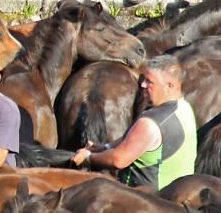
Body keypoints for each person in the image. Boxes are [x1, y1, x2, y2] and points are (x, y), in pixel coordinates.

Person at [73, 55, 196, 190]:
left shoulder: (150, 123)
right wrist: (106, 147)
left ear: (169, 86)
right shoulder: (184, 108)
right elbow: (139, 139)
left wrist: (89, 157)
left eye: (149, 82)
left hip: (145, 201)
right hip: (174, 197)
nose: (142, 85)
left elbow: (119, 160)